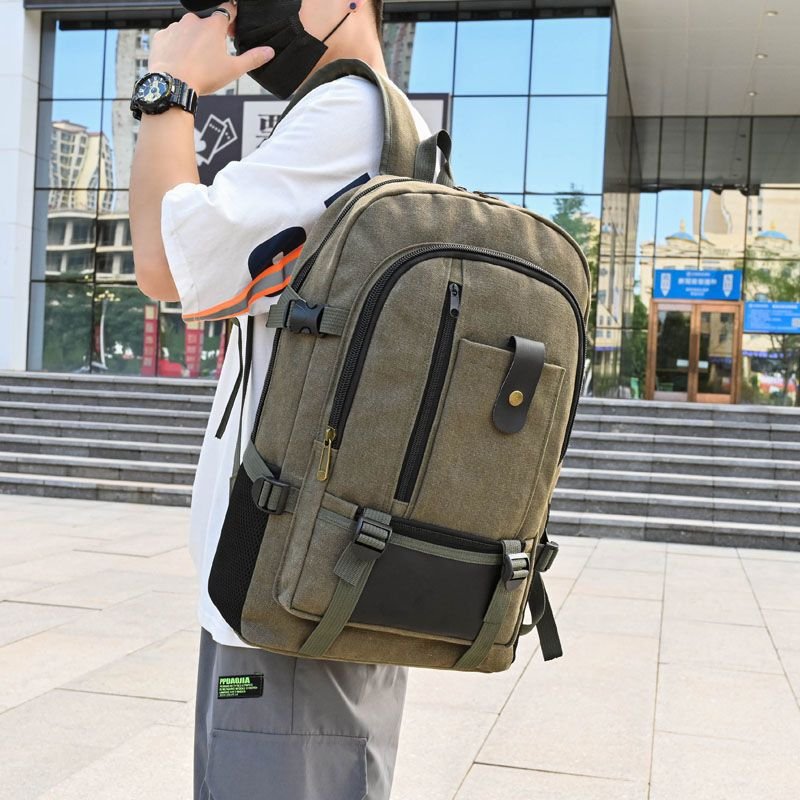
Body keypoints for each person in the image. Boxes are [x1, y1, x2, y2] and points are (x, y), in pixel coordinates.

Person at [129, 1, 432, 797]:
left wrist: (168, 91)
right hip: (305, 580)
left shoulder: (350, 112)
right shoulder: (391, 127)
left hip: (283, 588)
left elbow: (161, 264)